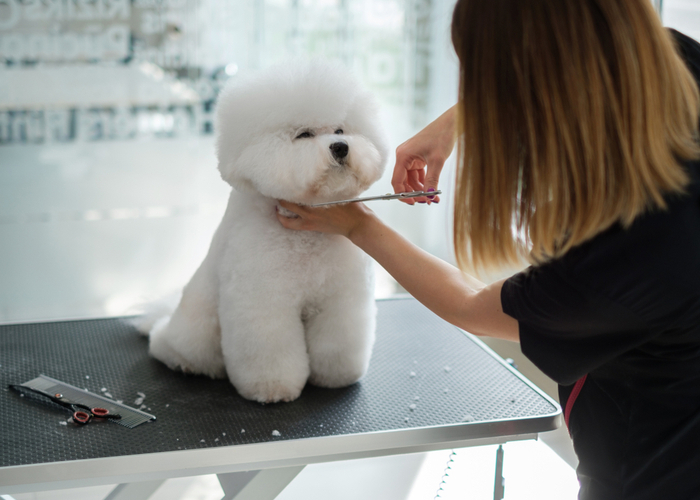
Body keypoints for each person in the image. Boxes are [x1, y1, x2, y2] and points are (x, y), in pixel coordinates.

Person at [277, 0, 700, 498]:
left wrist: (359, 225)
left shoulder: (628, 251)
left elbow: (473, 305)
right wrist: (454, 122)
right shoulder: (676, 69)